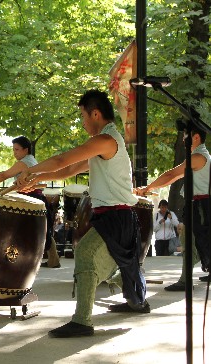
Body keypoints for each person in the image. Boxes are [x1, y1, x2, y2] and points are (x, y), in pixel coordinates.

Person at [16, 90, 149, 338]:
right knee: (113, 264)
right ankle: (135, 298)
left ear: (95, 113)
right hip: (115, 217)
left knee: (86, 252)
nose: (83, 121)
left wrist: (30, 172)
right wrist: (34, 179)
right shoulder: (103, 144)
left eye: (83, 116)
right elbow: (65, 170)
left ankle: (82, 321)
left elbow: (60, 160)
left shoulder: (106, 141)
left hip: (117, 216)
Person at [136, 125, 210, 290]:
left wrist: (148, 188)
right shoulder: (201, 156)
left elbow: (172, 174)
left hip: (201, 206)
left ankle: (185, 281)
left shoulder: (198, 157)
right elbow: (174, 177)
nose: (184, 140)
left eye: (186, 136)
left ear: (196, 137)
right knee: (197, 241)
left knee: (190, 242)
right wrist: (151, 187)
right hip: (199, 205)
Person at [0, 136, 61, 268]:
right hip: (33, 198)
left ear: (25, 150)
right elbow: (4, 173)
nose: (14, 152)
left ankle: (18, 259)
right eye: (13, 150)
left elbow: (5, 175)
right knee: (41, 230)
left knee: (31, 230)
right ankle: (53, 260)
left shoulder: (25, 162)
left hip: (30, 199)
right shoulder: (29, 160)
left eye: (17, 149)